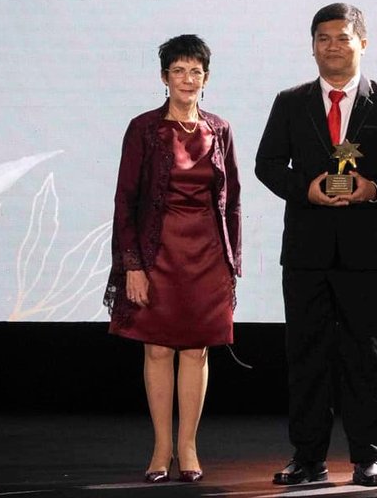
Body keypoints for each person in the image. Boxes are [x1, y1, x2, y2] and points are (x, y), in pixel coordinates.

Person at [256, 3, 377, 487]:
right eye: (323, 38)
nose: (333, 46)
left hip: (366, 249)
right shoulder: (290, 101)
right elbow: (267, 164)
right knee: (305, 353)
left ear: (363, 43)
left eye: (343, 37)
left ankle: (369, 457)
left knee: (366, 355)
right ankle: (307, 457)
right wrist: (305, 188)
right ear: (313, 46)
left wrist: (372, 188)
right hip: (307, 249)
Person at [105, 34, 241, 484]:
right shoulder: (143, 128)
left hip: (206, 254)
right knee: (159, 348)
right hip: (155, 253)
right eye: (178, 71)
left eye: (195, 71)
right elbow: (126, 202)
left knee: (197, 349)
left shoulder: (219, 128)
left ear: (206, 78)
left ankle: (189, 446)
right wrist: (132, 266)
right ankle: (161, 447)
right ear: (164, 78)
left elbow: (233, 201)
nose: (187, 79)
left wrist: (231, 262)